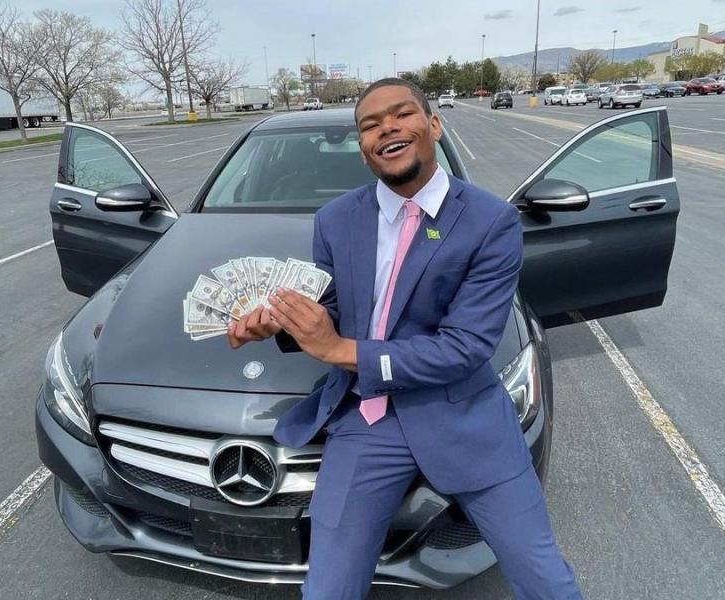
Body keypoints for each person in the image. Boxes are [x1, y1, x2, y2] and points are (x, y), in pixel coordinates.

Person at [227, 78, 582, 600]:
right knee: (327, 589)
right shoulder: (335, 220)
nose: (385, 129)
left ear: (433, 125)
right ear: (363, 147)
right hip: (367, 419)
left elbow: (466, 347)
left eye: (401, 115)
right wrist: (283, 321)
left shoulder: (491, 222)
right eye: (369, 125)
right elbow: (333, 308)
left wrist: (340, 351)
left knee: (543, 579)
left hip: (465, 417)